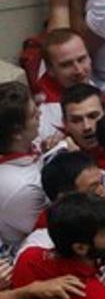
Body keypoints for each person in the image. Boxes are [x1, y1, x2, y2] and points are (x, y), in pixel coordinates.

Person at [0, 81, 45, 250]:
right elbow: (53, 230)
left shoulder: (31, 143)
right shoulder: (20, 188)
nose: (40, 114)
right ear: (17, 133)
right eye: (34, 115)